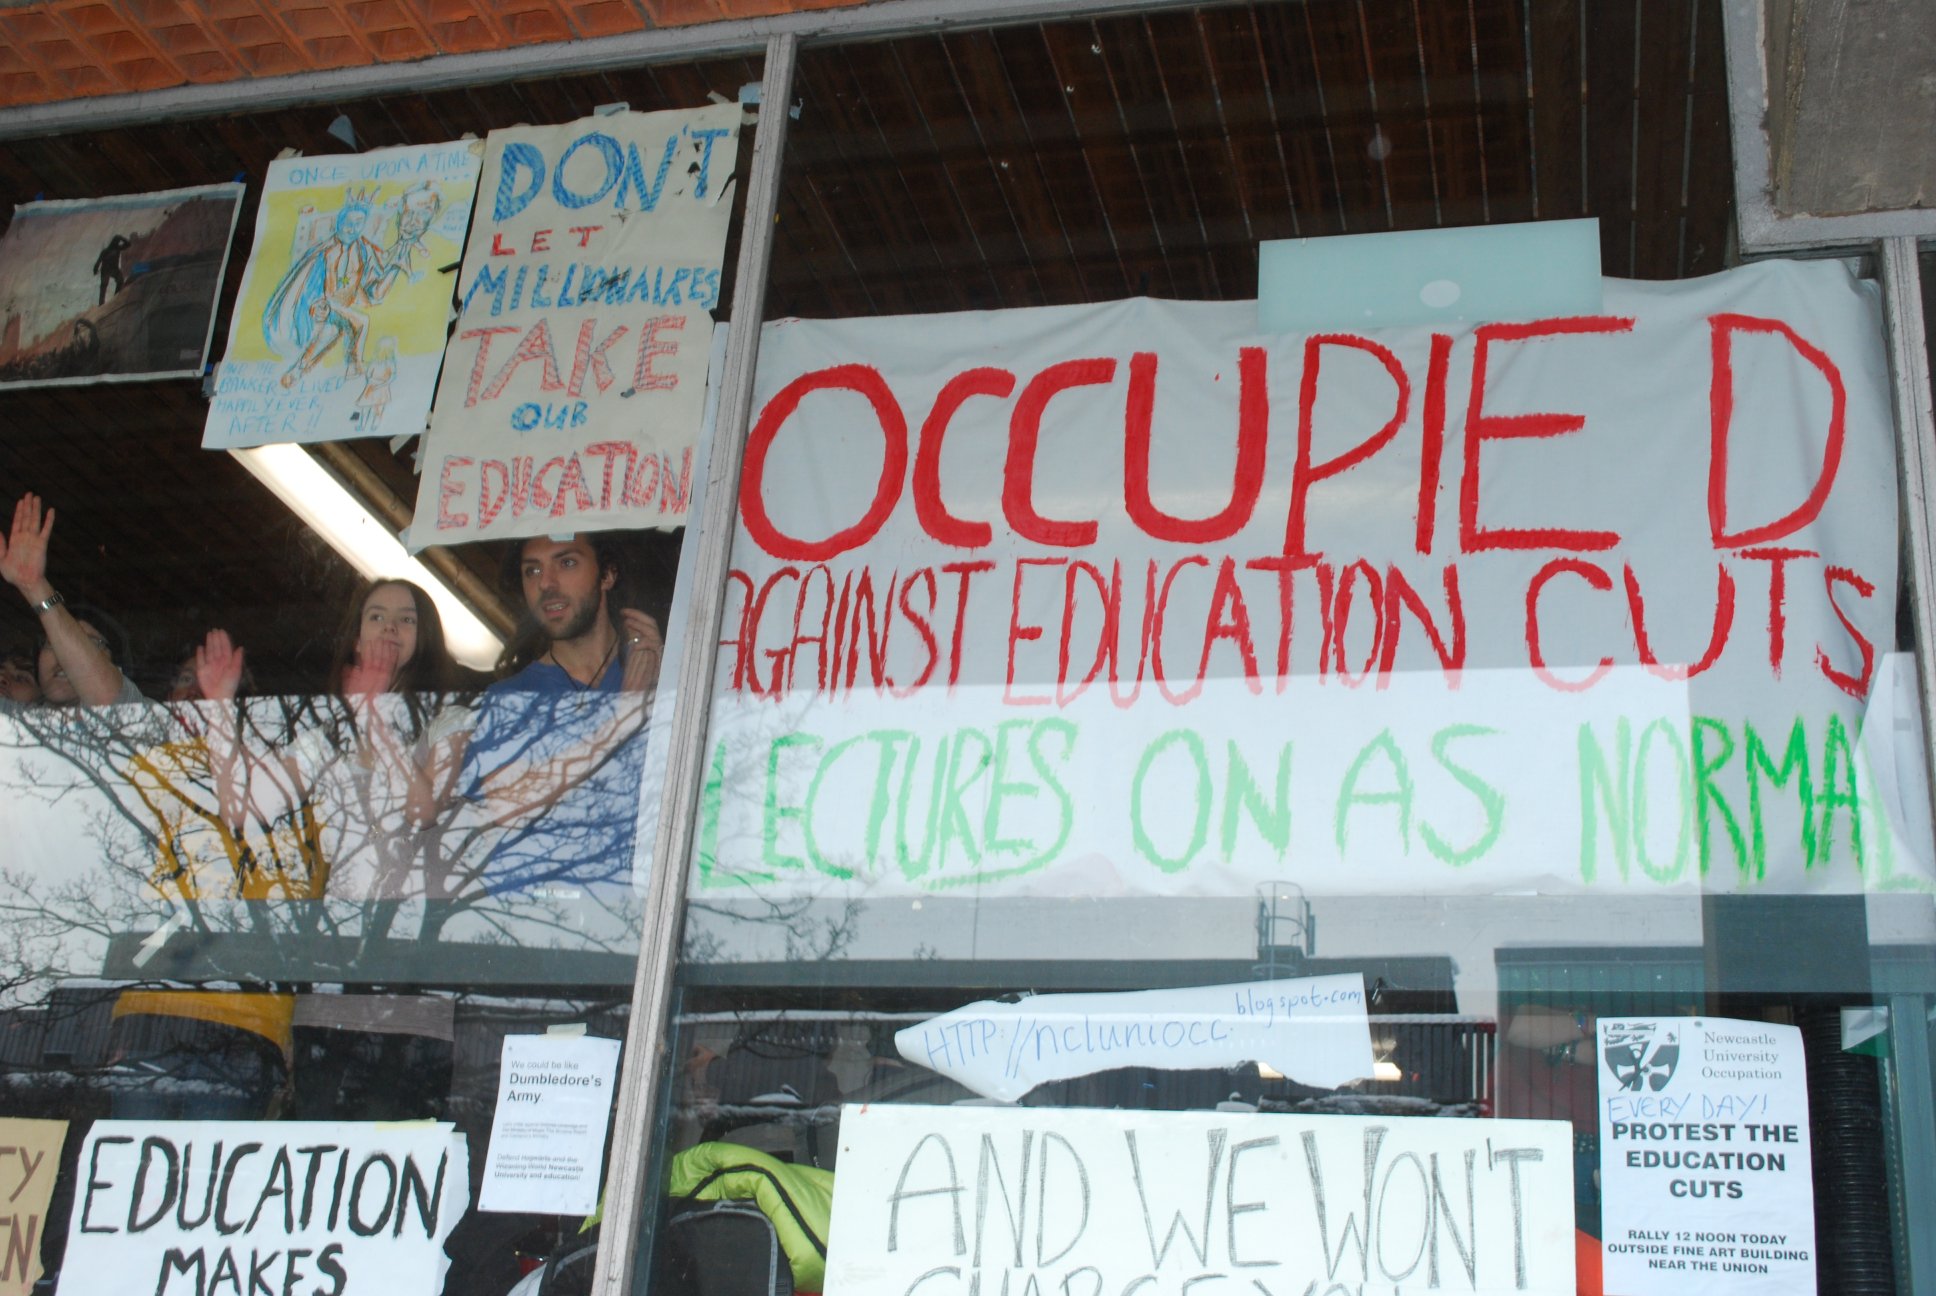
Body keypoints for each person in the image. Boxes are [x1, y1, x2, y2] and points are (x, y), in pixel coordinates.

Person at [455, 533, 663, 895]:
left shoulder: (655, 674)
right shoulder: (507, 700)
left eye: (566, 563)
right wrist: (623, 716)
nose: (546, 584)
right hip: (548, 919)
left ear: (607, 575)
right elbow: (508, 810)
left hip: (649, 907)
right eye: (532, 570)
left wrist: (678, 675)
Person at [0, 493, 143, 706]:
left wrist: (34, 587)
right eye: (52, 643)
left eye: (90, 643)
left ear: (119, 667)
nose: (62, 656)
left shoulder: (137, 716)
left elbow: (108, 701)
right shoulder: (16, 722)